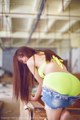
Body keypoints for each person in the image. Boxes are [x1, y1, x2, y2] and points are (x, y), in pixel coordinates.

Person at [13, 46, 80, 120]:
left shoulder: (30, 61)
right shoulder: (46, 53)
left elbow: (41, 83)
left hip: (57, 83)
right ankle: (64, 115)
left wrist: (35, 97)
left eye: (22, 56)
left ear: (27, 52)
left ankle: (64, 115)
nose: (24, 61)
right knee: (60, 109)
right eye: (22, 62)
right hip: (74, 84)